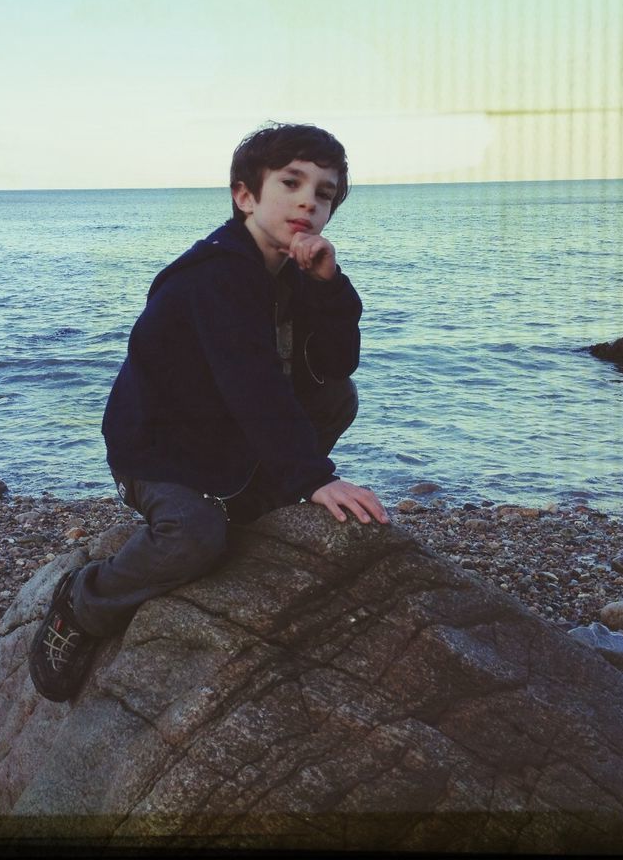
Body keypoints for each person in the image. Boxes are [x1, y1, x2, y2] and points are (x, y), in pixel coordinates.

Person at [29, 122, 389, 702]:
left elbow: (334, 364)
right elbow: (252, 384)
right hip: (159, 451)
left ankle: (249, 497)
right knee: (195, 539)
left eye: (324, 193)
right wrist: (315, 480)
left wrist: (328, 285)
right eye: (291, 183)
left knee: (337, 395)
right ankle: (82, 604)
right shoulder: (215, 275)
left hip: (223, 435)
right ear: (245, 195)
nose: (308, 200)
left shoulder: (293, 269)